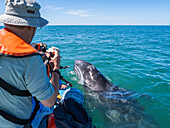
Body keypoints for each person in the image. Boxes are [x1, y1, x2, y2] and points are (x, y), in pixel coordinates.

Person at [0, 0, 60, 128]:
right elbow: (49, 101)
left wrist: (35, 48)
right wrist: (55, 68)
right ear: (30, 27)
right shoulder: (30, 59)